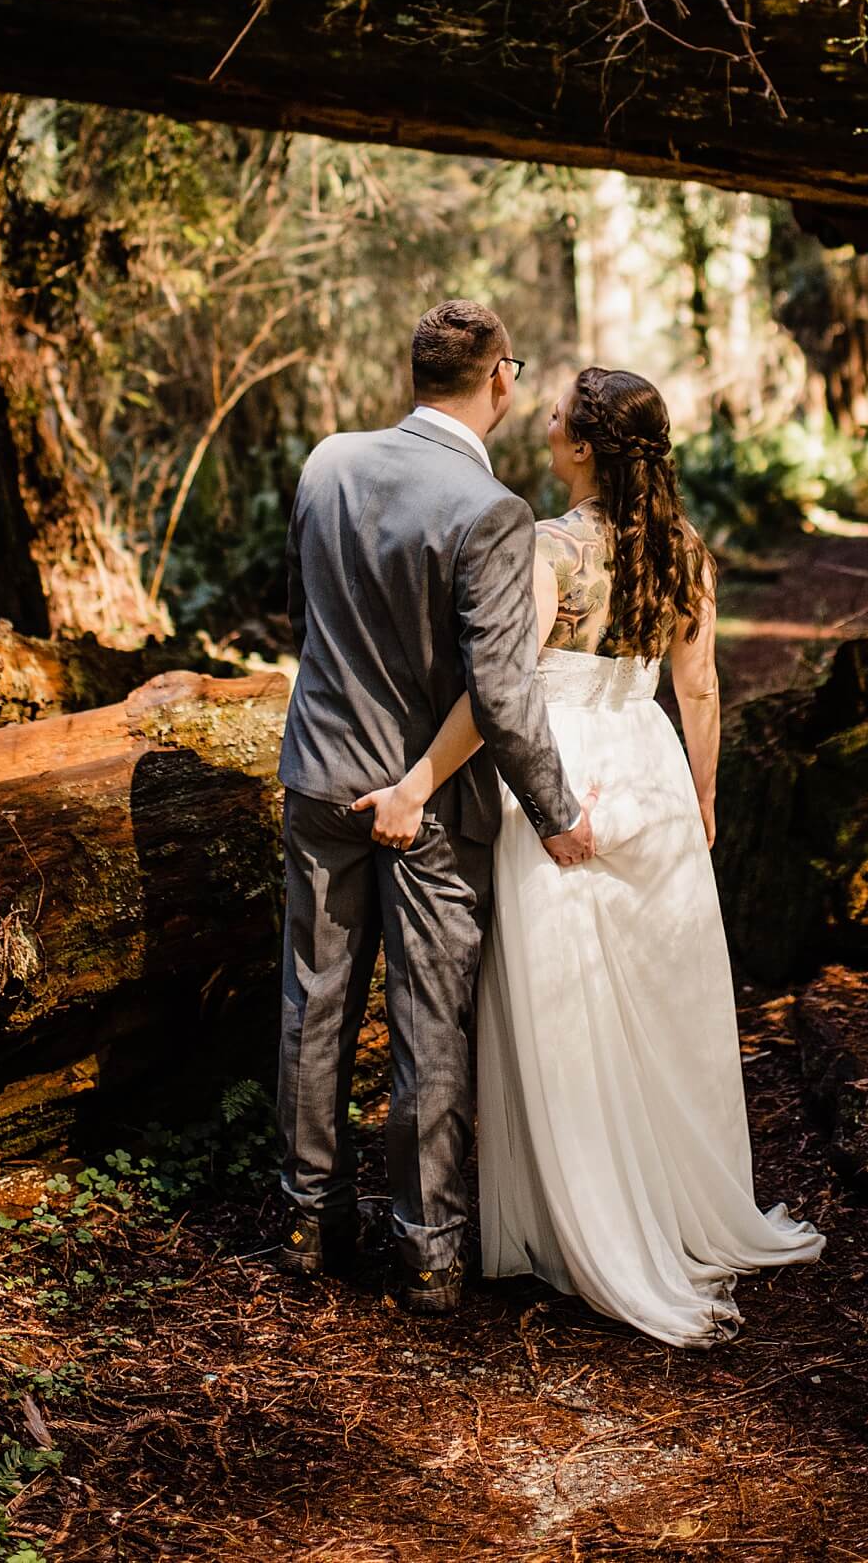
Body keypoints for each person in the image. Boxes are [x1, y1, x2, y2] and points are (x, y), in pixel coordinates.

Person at [359, 365, 825, 1345]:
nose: (548, 416)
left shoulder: (552, 546)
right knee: (655, 1007)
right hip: (647, 769)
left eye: (562, 410)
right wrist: (701, 798)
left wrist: (414, 784)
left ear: (582, 446)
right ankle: (668, 1208)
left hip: (563, 780)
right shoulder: (684, 550)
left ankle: (591, 1228)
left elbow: (505, 698)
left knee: (566, 1008)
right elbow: (697, 690)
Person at [276, 300, 596, 1315]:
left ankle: (305, 1218)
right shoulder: (489, 509)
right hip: (424, 805)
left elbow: (307, 619)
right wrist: (555, 810)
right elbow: (502, 692)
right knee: (428, 1024)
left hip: (322, 777)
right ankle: (427, 1250)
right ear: (500, 378)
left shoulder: (326, 463)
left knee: (313, 1002)